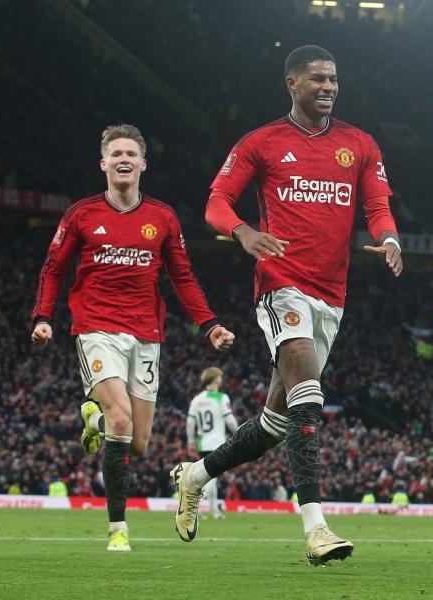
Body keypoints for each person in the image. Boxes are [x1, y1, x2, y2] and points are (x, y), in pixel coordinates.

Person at [170, 45, 400, 565]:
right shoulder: (263, 142)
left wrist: (390, 239)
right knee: (310, 399)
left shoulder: (358, 144)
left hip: (332, 294)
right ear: (291, 83)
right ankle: (316, 529)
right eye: (317, 78)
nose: (329, 86)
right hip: (281, 284)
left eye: (334, 79)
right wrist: (244, 232)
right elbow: (215, 203)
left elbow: (378, 205)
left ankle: (195, 475)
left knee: (277, 422)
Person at [31, 124, 234, 552]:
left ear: (143, 163)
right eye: (116, 153)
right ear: (103, 163)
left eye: (131, 153)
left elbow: (182, 276)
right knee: (122, 420)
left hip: (147, 334)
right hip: (96, 327)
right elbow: (53, 268)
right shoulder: (81, 214)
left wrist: (210, 324)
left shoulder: (162, 218)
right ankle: (117, 529)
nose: (124, 159)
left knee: (137, 443)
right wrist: (43, 316)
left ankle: (95, 419)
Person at [187, 367, 239, 519]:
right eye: (220, 377)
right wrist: (239, 434)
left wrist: (191, 441)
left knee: (210, 478)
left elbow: (190, 422)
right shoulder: (221, 397)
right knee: (210, 479)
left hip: (203, 443)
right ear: (216, 379)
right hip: (217, 443)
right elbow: (229, 419)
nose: (221, 380)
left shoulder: (197, 400)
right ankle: (194, 508)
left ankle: (214, 511)